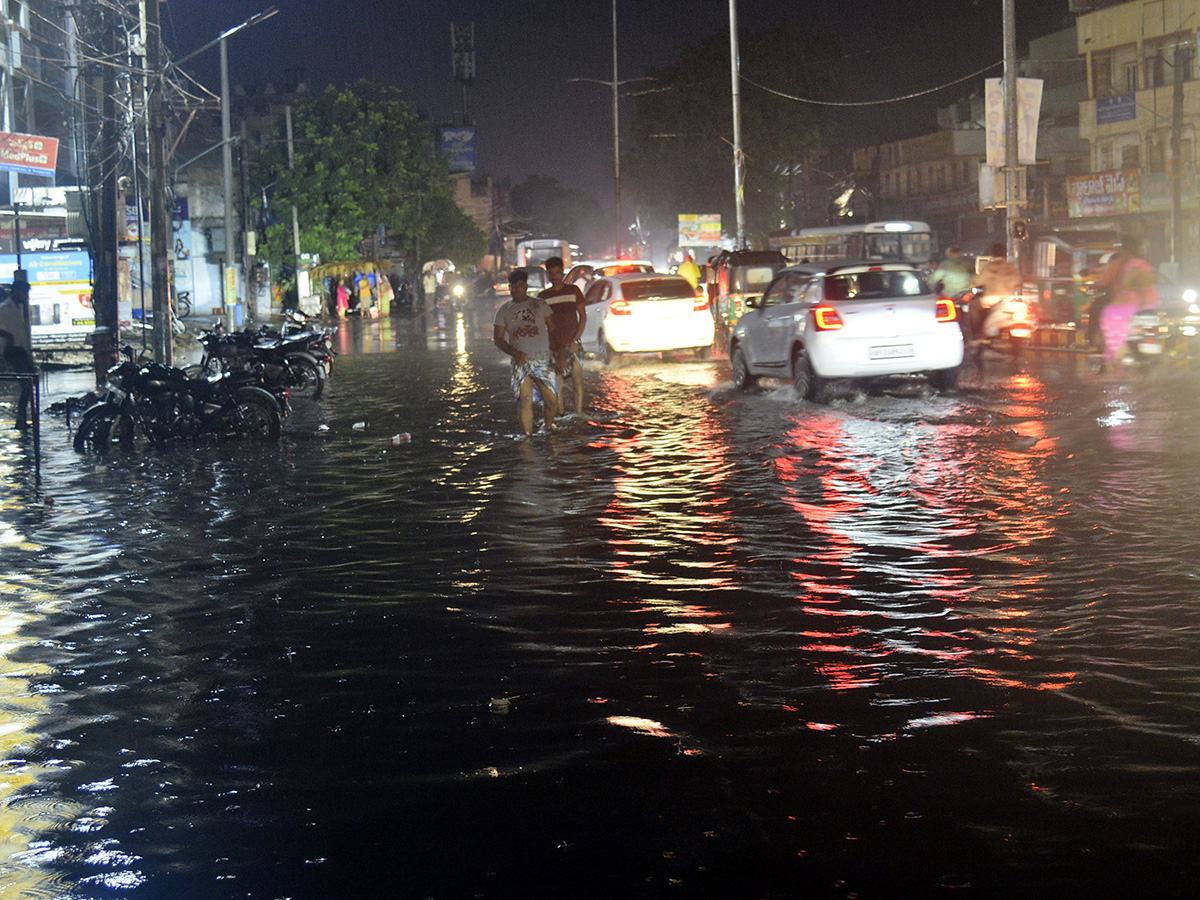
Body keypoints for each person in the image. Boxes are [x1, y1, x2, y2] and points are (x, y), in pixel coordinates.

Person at [493, 268, 559, 436]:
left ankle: (548, 427)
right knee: (525, 400)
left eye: (521, 286)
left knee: (552, 401)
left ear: (526, 286)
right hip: (520, 362)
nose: (517, 290)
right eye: (514, 286)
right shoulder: (503, 311)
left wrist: (558, 353)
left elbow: (553, 330)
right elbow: (499, 339)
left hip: (543, 360)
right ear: (509, 288)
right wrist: (515, 354)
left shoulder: (540, 305)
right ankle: (527, 439)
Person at [1091, 240, 1158, 371]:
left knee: (1101, 312)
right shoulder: (1143, 264)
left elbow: (1105, 281)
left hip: (1126, 305)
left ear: (1125, 251)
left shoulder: (1120, 263)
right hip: (1149, 306)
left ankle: (1096, 346)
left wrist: (1096, 285)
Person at [540, 256, 587, 418]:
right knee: (557, 383)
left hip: (573, 344)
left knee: (577, 381)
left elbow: (583, 317)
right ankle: (560, 416)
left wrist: (576, 340)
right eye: (551, 273)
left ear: (563, 272)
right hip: (553, 346)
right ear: (548, 275)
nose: (555, 277)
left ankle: (579, 414)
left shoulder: (573, 291)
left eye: (558, 273)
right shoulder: (543, 297)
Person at [0, 279, 36, 431]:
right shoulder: (4, 308)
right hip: (11, 350)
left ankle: (21, 419)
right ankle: (20, 420)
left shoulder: (17, 308)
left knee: (29, 383)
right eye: (24, 292)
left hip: (19, 350)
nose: (26, 296)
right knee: (27, 383)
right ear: (16, 291)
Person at [968, 242, 1022, 338]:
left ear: (993, 254)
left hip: (991, 301)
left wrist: (972, 285)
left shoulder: (990, 267)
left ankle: (976, 335)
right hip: (1008, 301)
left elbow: (974, 283)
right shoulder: (1011, 267)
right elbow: (1018, 283)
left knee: (973, 306)